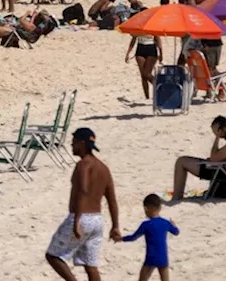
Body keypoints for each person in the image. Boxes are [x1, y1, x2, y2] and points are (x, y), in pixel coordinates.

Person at [46, 128, 121, 281]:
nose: (71, 146)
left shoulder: (83, 165)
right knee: (90, 265)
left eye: (73, 143)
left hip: (81, 217)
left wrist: (77, 220)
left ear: (81, 143)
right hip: (97, 221)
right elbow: (112, 200)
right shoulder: (103, 168)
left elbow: (83, 191)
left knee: (53, 255)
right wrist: (115, 225)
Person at [171, 115, 226, 201]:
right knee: (184, 160)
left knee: (181, 161)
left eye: (217, 133)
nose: (219, 136)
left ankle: (176, 196)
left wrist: (217, 138)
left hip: (222, 172)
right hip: (223, 169)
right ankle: (178, 195)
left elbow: (213, 158)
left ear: (222, 129)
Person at [121, 193, 179, 281]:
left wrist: (121, 238)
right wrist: (173, 225)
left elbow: (133, 237)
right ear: (160, 208)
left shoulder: (146, 225)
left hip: (151, 257)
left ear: (145, 209)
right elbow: (176, 232)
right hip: (163, 257)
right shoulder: (165, 222)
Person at [124, 29, 162, 100]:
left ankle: (160, 86)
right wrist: (128, 53)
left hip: (151, 48)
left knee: (147, 74)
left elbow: (158, 39)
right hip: (140, 48)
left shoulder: (152, 26)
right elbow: (133, 40)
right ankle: (147, 98)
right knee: (143, 76)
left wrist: (161, 53)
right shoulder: (138, 27)